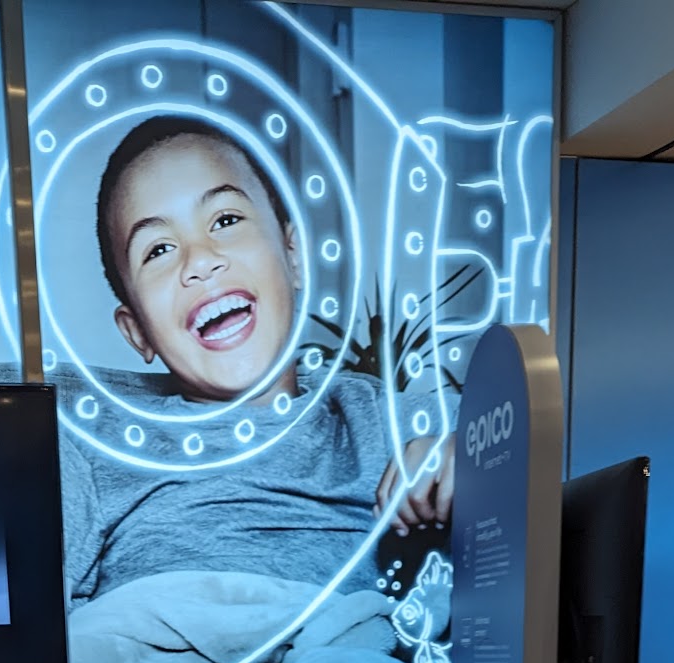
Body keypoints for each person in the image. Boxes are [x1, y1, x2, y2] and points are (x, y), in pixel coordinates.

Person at [60, 115, 453, 608]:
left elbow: (525, 455)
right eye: (158, 249)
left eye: (225, 221)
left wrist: (472, 461)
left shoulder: (389, 424)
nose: (199, 262)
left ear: (294, 256)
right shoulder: (98, 449)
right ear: (137, 331)